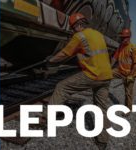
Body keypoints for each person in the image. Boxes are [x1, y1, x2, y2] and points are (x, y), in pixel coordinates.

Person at [46, 13, 113, 150]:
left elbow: (65, 53)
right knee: (102, 108)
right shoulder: (97, 34)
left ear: (77, 25)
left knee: (62, 87)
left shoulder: (79, 36)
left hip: (93, 75)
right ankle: (102, 141)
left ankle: (46, 116)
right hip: (106, 76)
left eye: (72, 28)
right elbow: (91, 53)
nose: (72, 31)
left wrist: (50, 60)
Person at [112, 29, 136, 111]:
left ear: (128, 37)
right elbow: (114, 58)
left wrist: (130, 75)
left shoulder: (133, 48)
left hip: (130, 74)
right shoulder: (121, 46)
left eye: (123, 38)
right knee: (107, 74)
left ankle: (128, 110)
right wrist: (108, 68)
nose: (122, 39)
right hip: (120, 71)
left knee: (128, 93)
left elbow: (135, 65)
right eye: (121, 38)